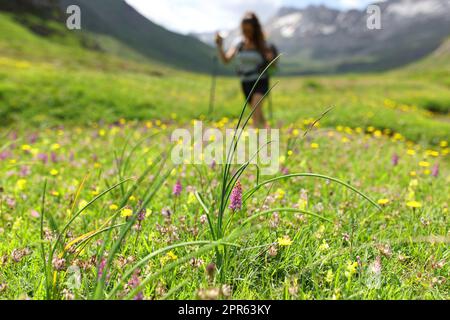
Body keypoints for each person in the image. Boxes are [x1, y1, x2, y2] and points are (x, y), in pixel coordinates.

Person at [215, 12, 275, 128]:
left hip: (260, 81)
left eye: (249, 30)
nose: (246, 33)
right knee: (258, 112)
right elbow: (226, 60)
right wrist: (220, 46)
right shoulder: (239, 43)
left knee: (255, 112)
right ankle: (269, 132)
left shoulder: (262, 43)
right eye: (244, 30)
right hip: (245, 83)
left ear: (254, 29)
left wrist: (270, 58)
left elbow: (271, 59)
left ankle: (256, 141)